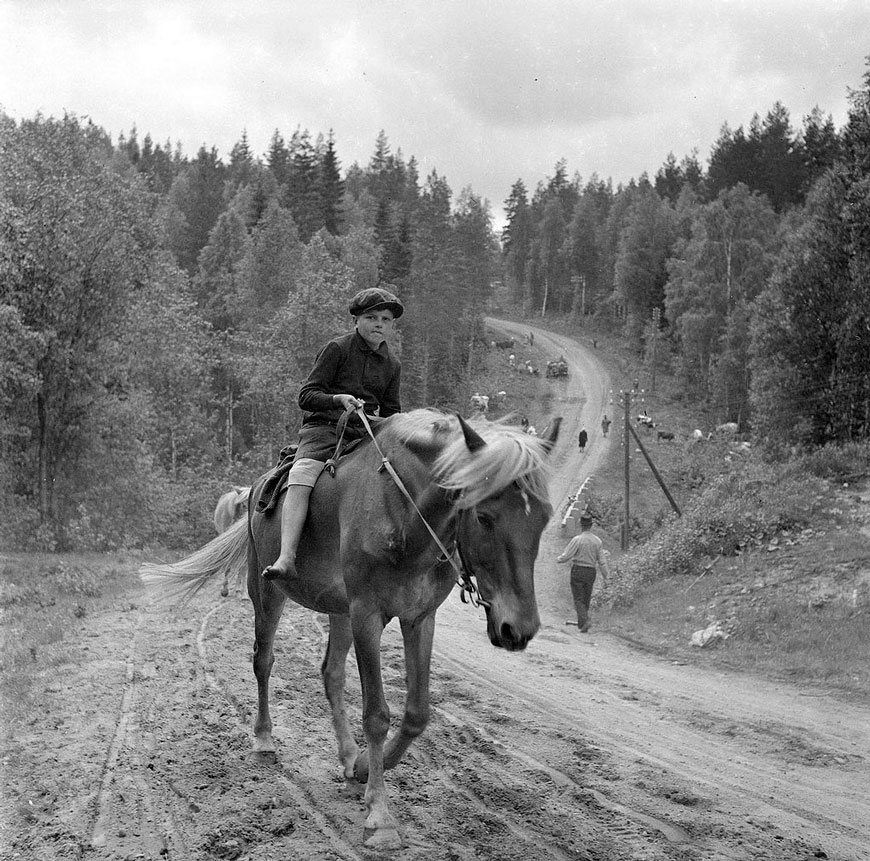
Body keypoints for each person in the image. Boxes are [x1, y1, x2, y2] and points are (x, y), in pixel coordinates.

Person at [262, 286, 404, 589]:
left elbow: (392, 411)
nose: (379, 323)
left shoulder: (392, 365)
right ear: (356, 319)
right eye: (371, 317)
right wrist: (338, 399)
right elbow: (307, 395)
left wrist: (392, 425)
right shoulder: (337, 349)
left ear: (392, 325)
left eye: (386, 319)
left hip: (365, 434)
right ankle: (287, 556)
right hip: (323, 429)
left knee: (400, 477)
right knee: (302, 474)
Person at [557, 511, 610, 632]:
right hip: (591, 571)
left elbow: (567, 555)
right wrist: (607, 575)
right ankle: (583, 624)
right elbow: (602, 561)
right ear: (591, 526)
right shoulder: (597, 541)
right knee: (586, 597)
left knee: (578, 598)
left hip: (578, 570)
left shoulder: (577, 540)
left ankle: (585, 621)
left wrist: (559, 560)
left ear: (581, 525)